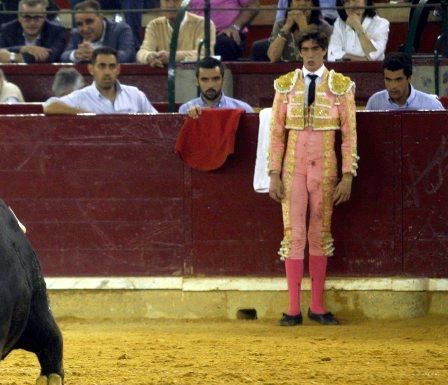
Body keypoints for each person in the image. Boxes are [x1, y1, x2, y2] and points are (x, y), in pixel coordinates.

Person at [267, 28, 357, 326]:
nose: (309, 55)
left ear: (324, 51)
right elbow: (276, 134)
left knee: (319, 234)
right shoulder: (285, 86)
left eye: (315, 49)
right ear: (299, 51)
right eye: (304, 50)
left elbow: (349, 137)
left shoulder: (340, 86)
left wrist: (347, 175)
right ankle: (293, 309)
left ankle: (317, 306)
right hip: (293, 169)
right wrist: (273, 173)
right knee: (294, 235)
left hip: (326, 169)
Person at [44, 46, 157, 114]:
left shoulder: (135, 94)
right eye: (102, 66)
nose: (107, 72)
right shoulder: (81, 97)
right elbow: (49, 106)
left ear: (118, 69)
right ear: (91, 69)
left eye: (112, 66)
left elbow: (156, 120)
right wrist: (88, 115)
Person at [137, 0, 216, 66]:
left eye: (176, 0)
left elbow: (205, 54)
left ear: (186, 2)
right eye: (166, 0)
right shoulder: (154, 25)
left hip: (193, 77)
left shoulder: (204, 24)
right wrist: (149, 56)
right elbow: (142, 52)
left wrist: (172, 57)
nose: (171, 5)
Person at [60, 0, 136, 63]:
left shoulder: (121, 29)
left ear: (101, 18)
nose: (85, 28)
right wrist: (76, 54)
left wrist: (97, 55)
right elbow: (64, 56)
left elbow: (127, 55)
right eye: (80, 24)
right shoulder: (76, 33)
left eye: (89, 21)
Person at [0, 0, 67, 63]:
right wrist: (23, 48)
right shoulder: (8, 29)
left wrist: (14, 57)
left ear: (44, 16)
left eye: (37, 17)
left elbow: (52, 56)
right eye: (27, 17)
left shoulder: (57, 30)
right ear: (19, 17)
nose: (32, 23)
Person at [365, 53, 445, 111]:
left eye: (398, 79)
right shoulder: (375, 102)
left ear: (409, 78)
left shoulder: (432, 105)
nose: (393, 86)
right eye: (388, 80)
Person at [178, 56, 253, 117]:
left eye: (216, 79)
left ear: (223, 80)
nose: (210, 85)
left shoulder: (244, 109)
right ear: (197, 81)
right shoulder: (185, 111)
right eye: (204, 79)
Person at [187, 0, 260, 61]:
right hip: (196, 33)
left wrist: (235, 27)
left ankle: (224, 77)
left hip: (225, 34)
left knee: (224, 44)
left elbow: (253, 6)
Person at [266, 0, 331, 62]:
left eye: (307, 0)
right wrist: (287, 27)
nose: (302, 3)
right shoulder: (280, 25)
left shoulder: (323, 27)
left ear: (313, 4)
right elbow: (273, 57)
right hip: (285, 72)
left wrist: (303, 27)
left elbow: (313, 58)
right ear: (290, 4)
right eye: (297, 0)